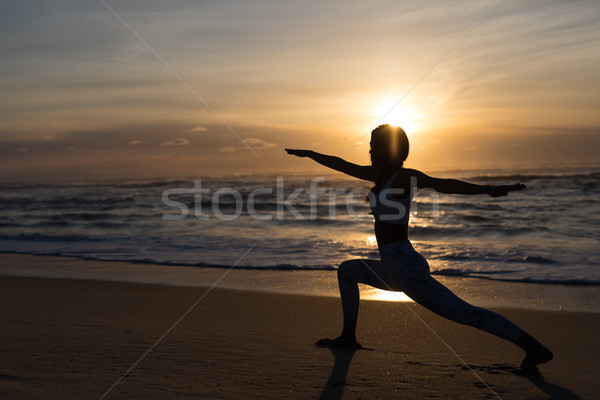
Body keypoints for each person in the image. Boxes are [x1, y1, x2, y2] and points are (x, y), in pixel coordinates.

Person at [285, 124, 553, 372]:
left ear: (388, 149)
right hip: (392, 267)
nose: (369, 151)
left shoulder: (405, 177)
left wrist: (487, 190)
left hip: (405, 268)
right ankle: (348, 336)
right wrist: (310, 154)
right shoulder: (379, 176)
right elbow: (341, 164)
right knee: (347, 270)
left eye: (373, 146)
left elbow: (444, 185)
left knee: (465, 313)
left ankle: (534, 347)